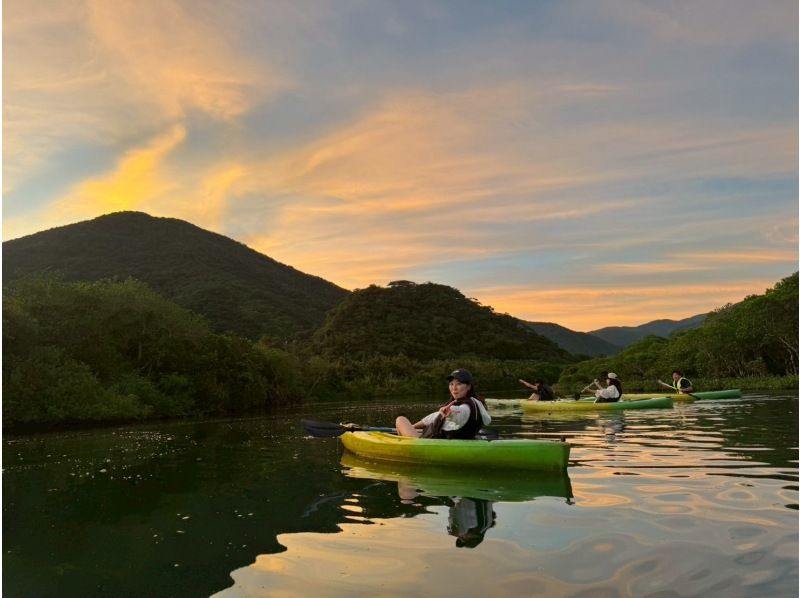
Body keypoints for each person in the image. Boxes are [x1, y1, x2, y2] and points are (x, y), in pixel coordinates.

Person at [395, 369, 491, 439]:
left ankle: (405, 446)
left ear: (469, 386)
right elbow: (433, 417)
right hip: (435, 437)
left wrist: (451, 411)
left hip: (423, 442)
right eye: (451, 384)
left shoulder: (464, 407)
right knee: (410, 426)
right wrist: (413, 427)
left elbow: (461, 412)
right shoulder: (476, 403)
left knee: (400, 420)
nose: (454, 388)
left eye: (458, 384)